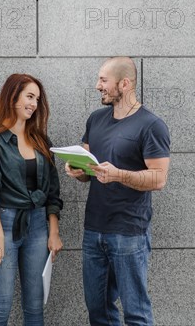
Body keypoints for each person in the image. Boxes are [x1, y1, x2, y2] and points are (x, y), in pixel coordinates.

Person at [65, 57, 170, 326]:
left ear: (125, 83)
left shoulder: (151, 125)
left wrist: (119, 175)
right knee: (98, 311)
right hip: (94, 229)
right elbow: (88, 165)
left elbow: (158, 178)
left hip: (129, 231)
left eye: (103, 80)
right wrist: (78, 171)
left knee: (135, 312)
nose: (97, 85)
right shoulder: (96, 119)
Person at [0, 73, 63, 326]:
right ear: (12, 97)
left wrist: (53, 231)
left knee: (35, 308)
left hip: (37, 225)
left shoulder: (42, 142)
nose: (34, 104)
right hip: (4, 222)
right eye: (29, 96)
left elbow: (53, 193)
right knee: (2, 308)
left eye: (37, 98)